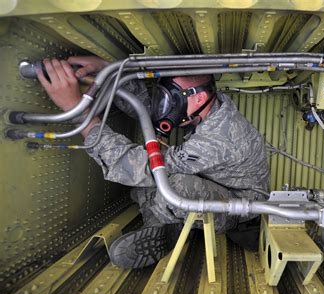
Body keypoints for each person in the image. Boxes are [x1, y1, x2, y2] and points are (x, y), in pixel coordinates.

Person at [36, 57, 270, 269]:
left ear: (197, 97)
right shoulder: (207, 105)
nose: (165, 106)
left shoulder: (220, 138)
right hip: (213, 183)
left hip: (239, 208)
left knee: (170, 185)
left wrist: (77, 110)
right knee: (155, 184)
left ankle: (162, 224)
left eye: (172, 99)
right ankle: (166, 223)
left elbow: (137, 167)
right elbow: (150, 109)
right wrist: (111, 70)